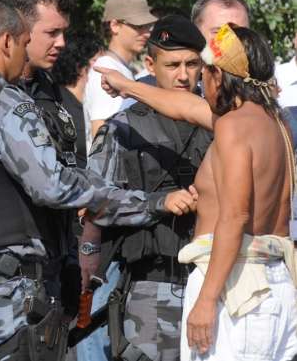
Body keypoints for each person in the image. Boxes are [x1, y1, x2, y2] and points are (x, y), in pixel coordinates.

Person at [0, 0, 196, 361]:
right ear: (7, 42)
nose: (26, 58)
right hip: (0, 302)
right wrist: (150, 202)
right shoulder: (5, 103)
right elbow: (55, 187)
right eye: (24, 45)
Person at [96, 23, 297, 361]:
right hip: (274, 284)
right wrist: (127, 86)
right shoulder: (273, 122)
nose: (198, 82)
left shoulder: (233, 126)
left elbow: (235, 217)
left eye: (202, 72)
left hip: (237, 290)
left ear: (218, 74)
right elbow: (184, 107)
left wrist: (206, 299)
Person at [85, 15, 212, 361]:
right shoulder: (124, 128)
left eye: (192, 64)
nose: (183, 75)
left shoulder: (221, 122)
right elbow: (94, 201)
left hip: (213, 284)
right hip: (153, 288)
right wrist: (158, 202)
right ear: (150, 63)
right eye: (172, 65)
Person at [2, 0, 83, 322]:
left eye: (64, 32)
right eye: (52, 32)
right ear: (20, 28)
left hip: (54, 268)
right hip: (7, 278)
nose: (62, 43)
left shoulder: (55, 95)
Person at [83, 0, 157, 144]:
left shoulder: (121, 68)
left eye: (148, 26)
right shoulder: (105, 69)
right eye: (138, 26)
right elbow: (101, 131)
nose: (147, 33)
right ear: (115, 25)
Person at [50, 30, 104, 167]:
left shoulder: (96, 101)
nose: (105, 66)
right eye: (98, 61)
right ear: (79, 65)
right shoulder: (56, 101)